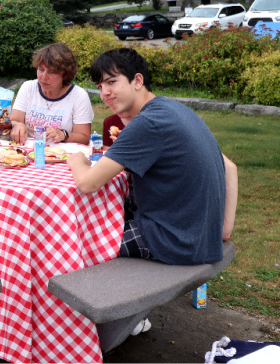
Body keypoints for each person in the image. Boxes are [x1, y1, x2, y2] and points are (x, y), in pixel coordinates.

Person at [67, 48, 238, 265]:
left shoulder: (147, 123)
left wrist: (77, 160)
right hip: (197, 234)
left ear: (137, 80)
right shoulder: (173, 109)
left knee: (71, 235)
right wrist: (223, 231)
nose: (104, 93)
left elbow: (87, 183)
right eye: (100, 86)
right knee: (101, 210)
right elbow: (230, 167)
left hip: (170, 241)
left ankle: (63, 297)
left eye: (111, 82)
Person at [10, 43, 93, 145]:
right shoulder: (28, 87)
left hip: (61, 154)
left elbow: (84, 138)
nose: (44, 77)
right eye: (41, 70)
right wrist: (18, 125)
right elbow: (14, 120)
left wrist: (64, 135)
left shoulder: (78, 96)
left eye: (51, 72)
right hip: (28, 151)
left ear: (65, 75)